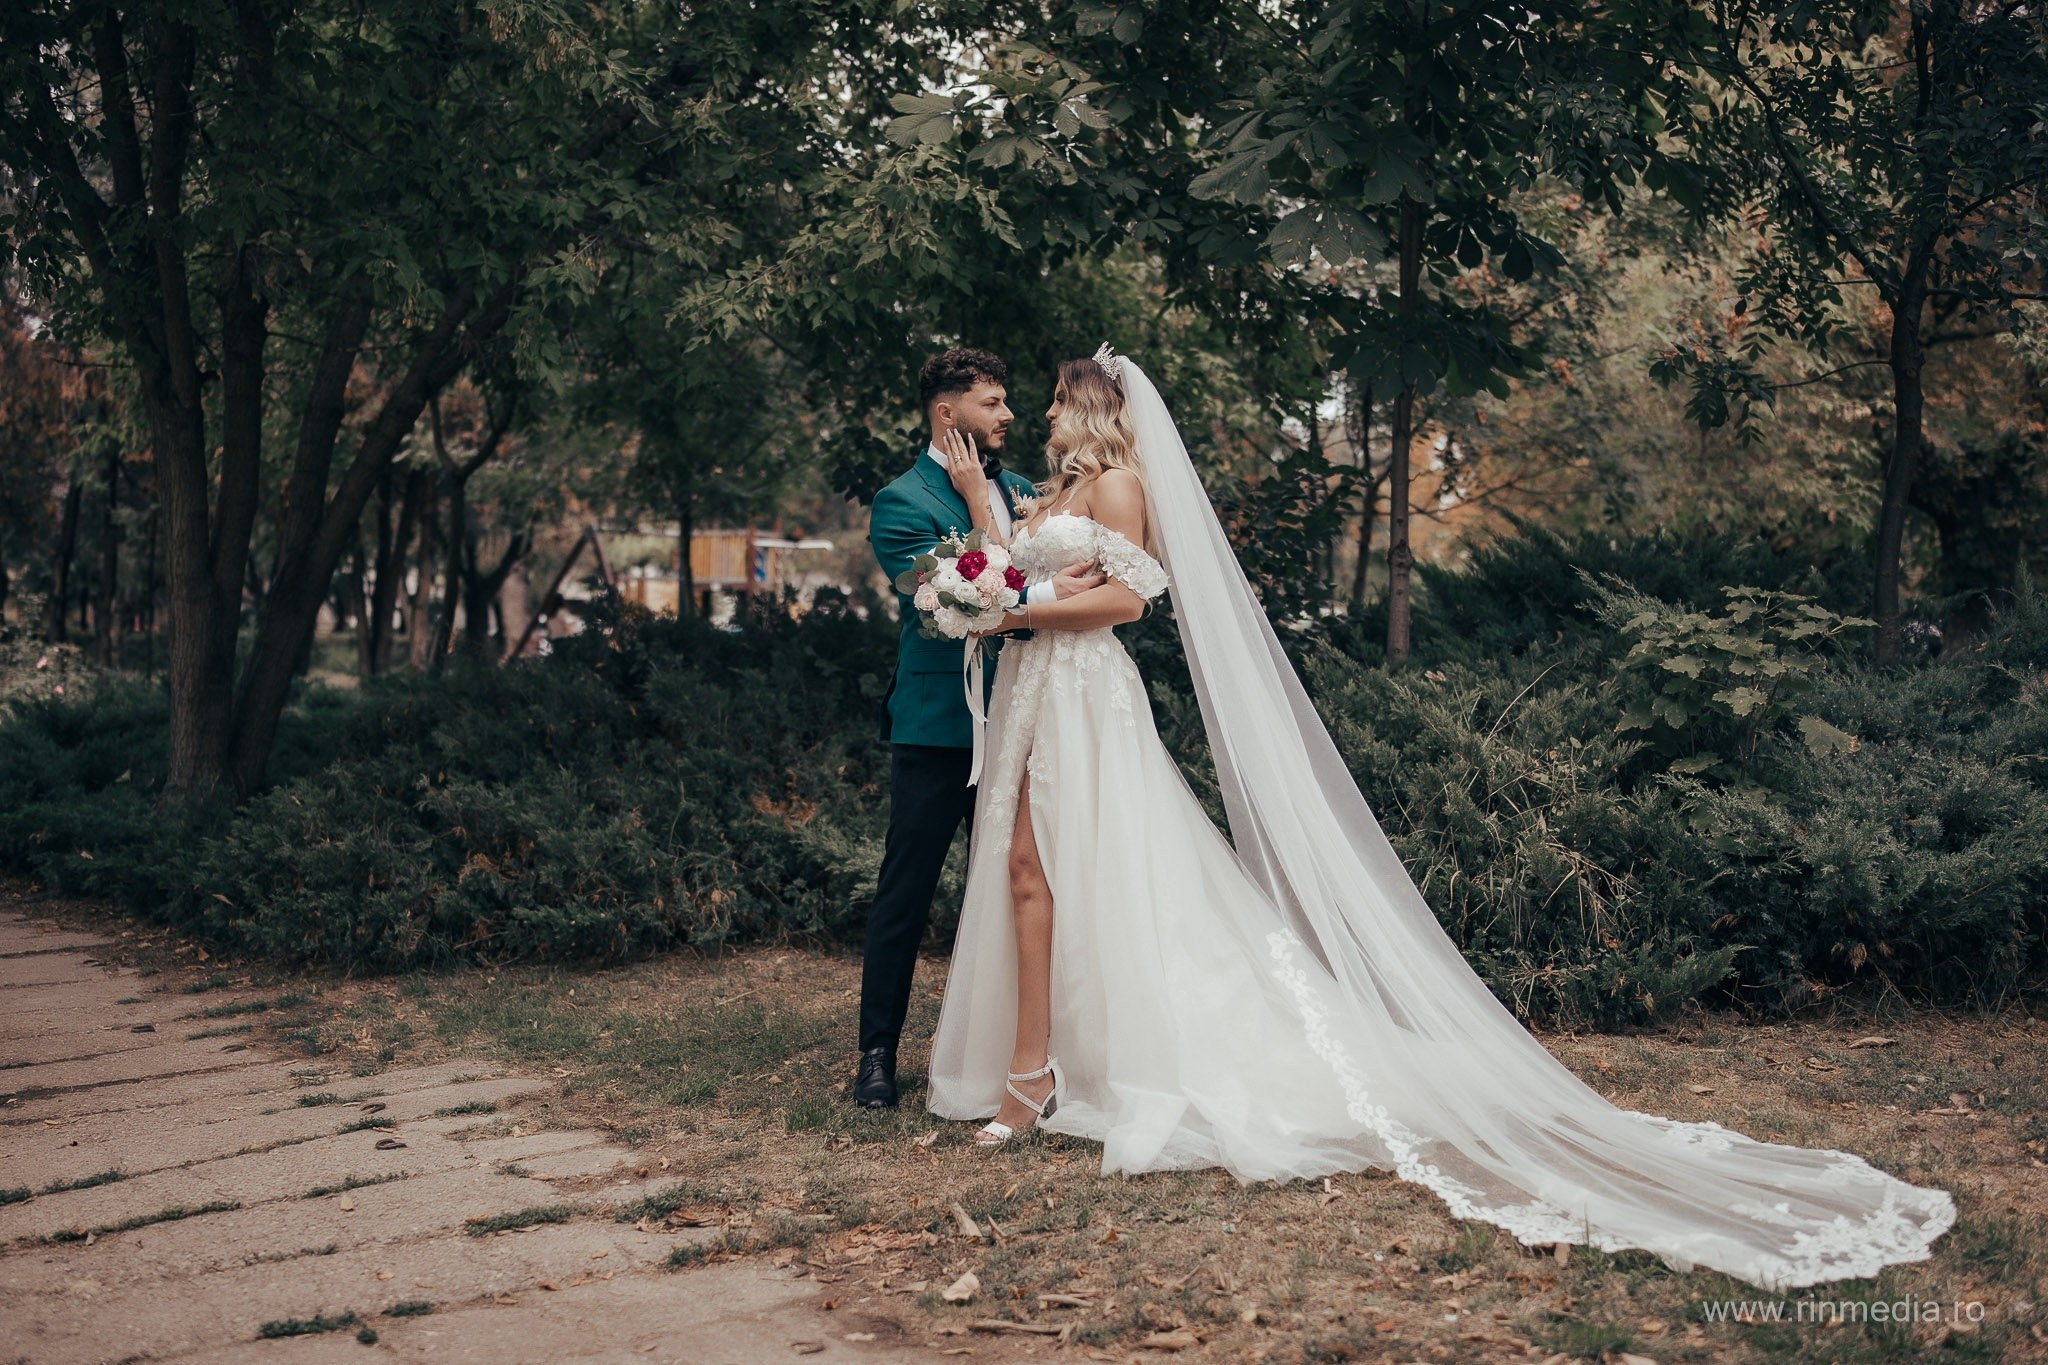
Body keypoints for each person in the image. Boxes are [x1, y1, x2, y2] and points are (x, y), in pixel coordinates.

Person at [923, 346, 1954, 1290]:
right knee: (1028, 873)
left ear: (1092, 408)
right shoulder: (1050, 489)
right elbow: (1011, 568)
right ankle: (1041, 1061)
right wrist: (979, 517)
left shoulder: (1118, 482)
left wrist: (1012, 610)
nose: (1044, 416)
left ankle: (1034, 1076)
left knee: (1051, 868)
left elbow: (1126, 606)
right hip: (1029, 692)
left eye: (1056, 401)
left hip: (1080, 692)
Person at [855, 347, 1104, 1109]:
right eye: (992, 402)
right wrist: (976, 508)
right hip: (938, 727)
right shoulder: (899, 501)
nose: (1007, 415)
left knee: (1027, 887)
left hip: (1029, 718)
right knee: (908, 888)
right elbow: (953, 604)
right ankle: (875, 1052)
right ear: (947, 412)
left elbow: (1028, 589)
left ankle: (1027, 1051)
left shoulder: (1028, 490)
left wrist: (1001, 527)